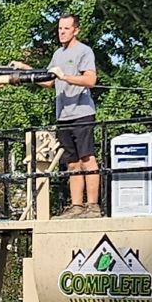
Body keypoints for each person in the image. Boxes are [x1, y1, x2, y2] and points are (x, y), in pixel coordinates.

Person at [48, 13, 99, 216]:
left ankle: (93, 205)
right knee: (71, 162)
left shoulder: (84, 51)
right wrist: (26, 71)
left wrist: (66, 77)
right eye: (60, 28)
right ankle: (76, 205)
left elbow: (90, 80)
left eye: (66, 28)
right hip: (63, 116)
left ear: (76, 30)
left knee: (87, 157)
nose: (62, 32)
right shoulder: (57, 54)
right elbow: (49, 81)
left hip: (82, 113)